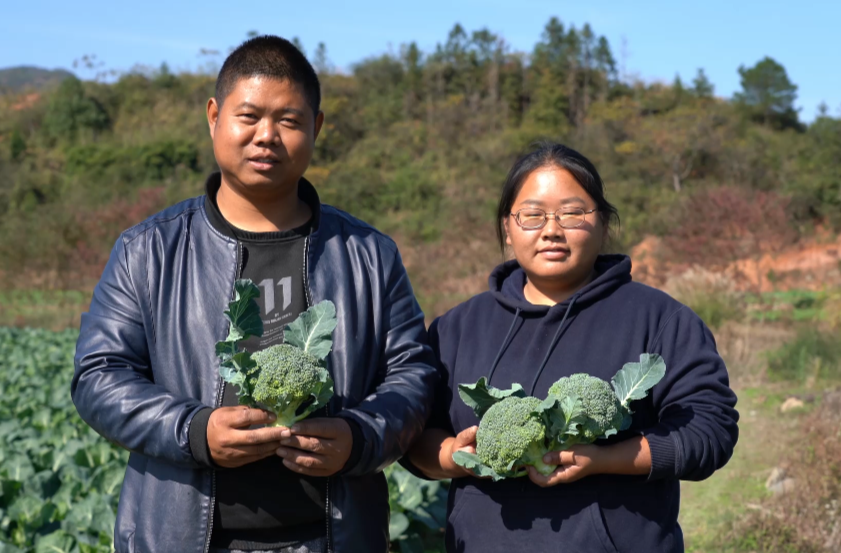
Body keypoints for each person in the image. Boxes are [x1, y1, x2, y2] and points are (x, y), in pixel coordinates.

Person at [72, 35, 437, 553]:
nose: (267, 136)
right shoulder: (148, 250)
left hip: (332, 537)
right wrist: (193, 431)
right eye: (249, 116)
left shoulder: (369, 255)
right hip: (186, 537)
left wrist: (359, 437)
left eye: (289, 120)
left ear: (317, 127)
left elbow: (414, 375)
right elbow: (98, 376)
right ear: (214, 116)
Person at [406, 142, 739, 552]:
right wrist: (453, 455)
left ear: (603, 223)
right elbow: (412, 434)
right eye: (531, 215)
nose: (551, 230)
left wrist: (604, 459)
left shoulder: (660, 320)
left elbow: (710, 432)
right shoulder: (457, 327)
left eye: (572, 213)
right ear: (507, 228)